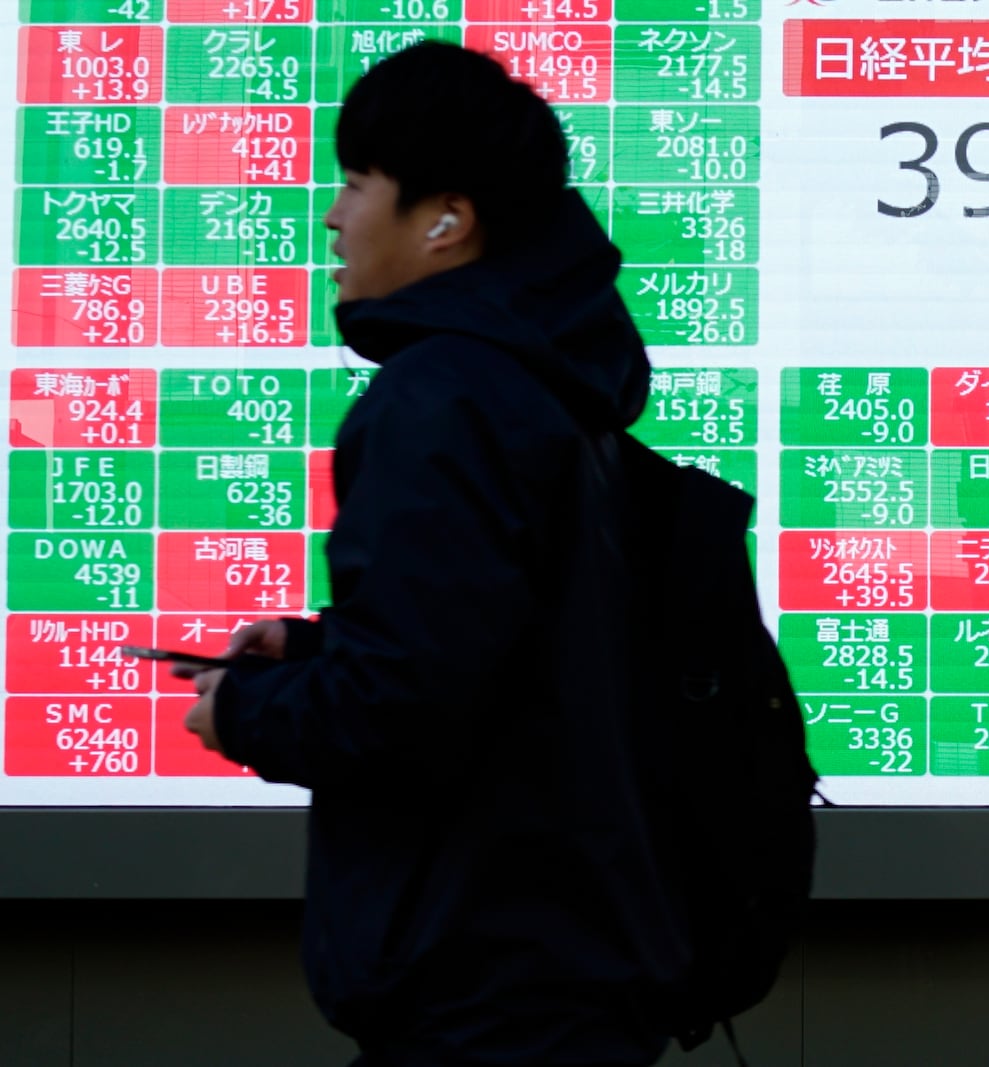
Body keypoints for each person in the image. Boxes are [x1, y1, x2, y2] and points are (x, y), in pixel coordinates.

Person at [177, 41, 688, 1066]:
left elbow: (404, 706)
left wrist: (240, 707)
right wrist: (324, 648)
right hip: (560, 975)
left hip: (478, 991)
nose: (334, 215)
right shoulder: (551, 394)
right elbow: (509, 659)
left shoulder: (442, 395)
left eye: (358, 183)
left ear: (445, 220)